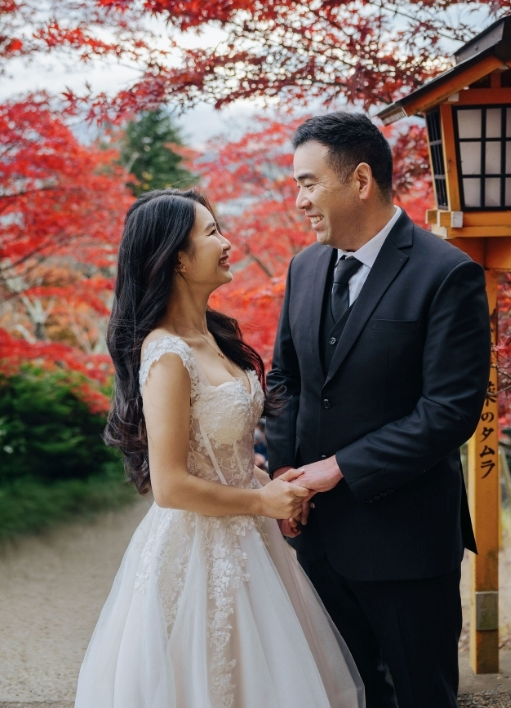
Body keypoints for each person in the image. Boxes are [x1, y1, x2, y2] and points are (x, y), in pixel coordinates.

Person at [76, 189, 363, 708]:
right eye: (211, 233)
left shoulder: (214, 335)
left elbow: (221, 454)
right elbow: (169, 485)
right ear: (177, 259)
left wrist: (267, 484)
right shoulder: (166, 354)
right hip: (197, 552)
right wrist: (261, 503)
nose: (227, 242)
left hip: (252, 542)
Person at [265, 112, 491, 708]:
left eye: (309, 183)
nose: (299, 200)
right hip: (315, 542)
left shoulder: (448, 274)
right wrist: (285, 479)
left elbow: (449, 412)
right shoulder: (305, 267)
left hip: (408, 546)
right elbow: (286, 380)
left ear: (360, 180)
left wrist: (335, 468)